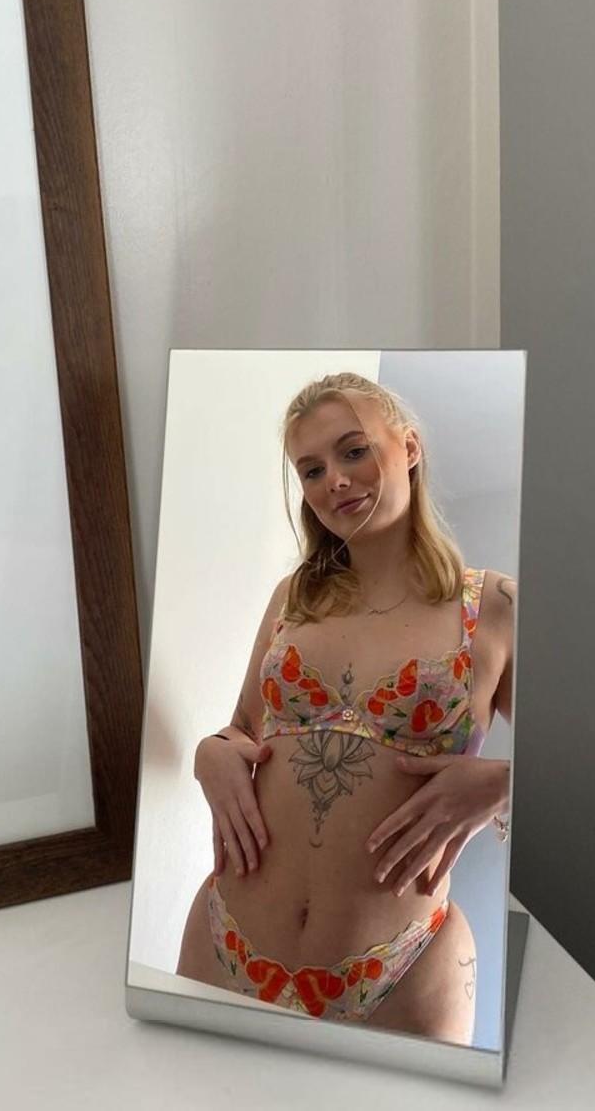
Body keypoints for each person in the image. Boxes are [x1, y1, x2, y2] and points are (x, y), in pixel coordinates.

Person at [176, 372, 515, 1043]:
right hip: (225, 941)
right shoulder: (292, 599)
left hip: (406, 970)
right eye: (311, 469)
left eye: (353, 451)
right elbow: (241, 730)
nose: (334, 480)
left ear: (408, 447)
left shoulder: (497, 606)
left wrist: (504, 784)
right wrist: (210, 753)